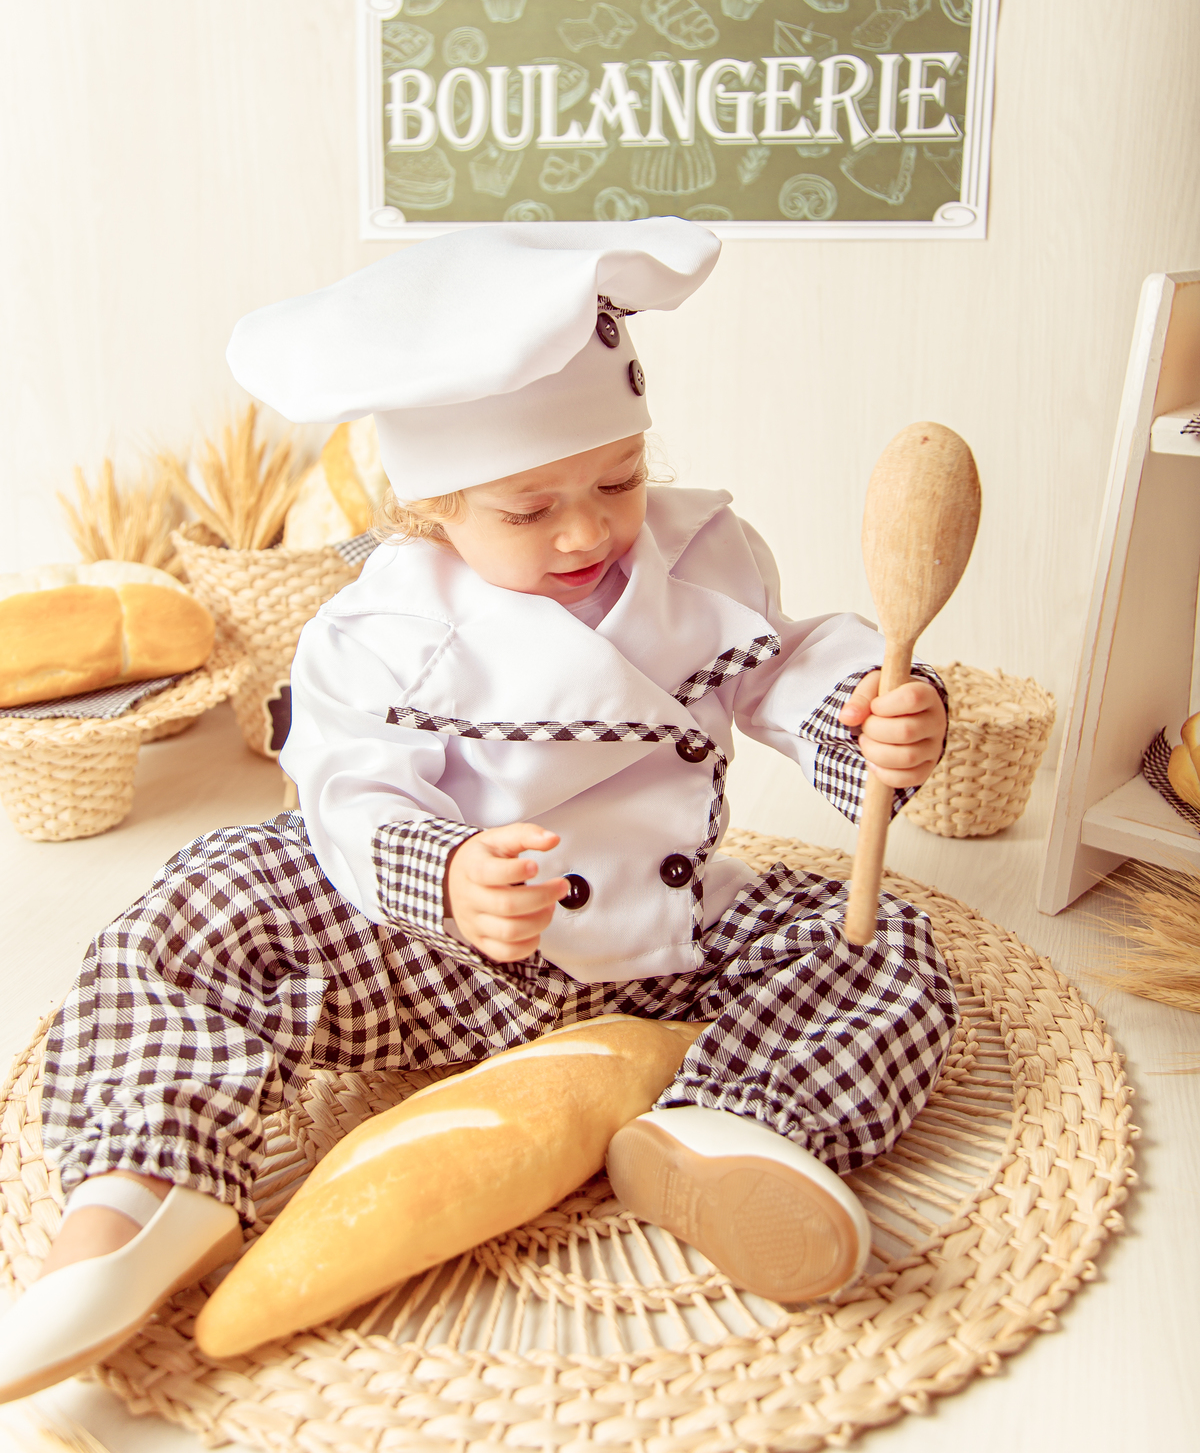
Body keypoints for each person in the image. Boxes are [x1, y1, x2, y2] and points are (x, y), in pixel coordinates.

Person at [0, 219, 957, 1401]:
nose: (587, 530)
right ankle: (143, 1193)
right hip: (427, 957)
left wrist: (863, 716)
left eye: (618, 478)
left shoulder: (702, 555)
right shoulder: (383, 628)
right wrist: (447, 876)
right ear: (434, 511)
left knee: (884, 941)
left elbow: (787, 664)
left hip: (649, 953)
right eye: (528, 507)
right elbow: (350, 790)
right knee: (201, 898)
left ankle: (728, 1129)